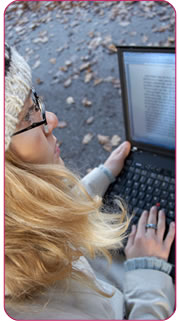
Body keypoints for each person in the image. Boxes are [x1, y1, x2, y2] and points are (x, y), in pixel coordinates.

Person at [5, 43, 175, 320]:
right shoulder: (31, 308)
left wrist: (104, 175)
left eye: (34, 103)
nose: (51, 120)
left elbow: (47, 216)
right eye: (26, 116)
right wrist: (149, 271)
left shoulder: (18, 228)